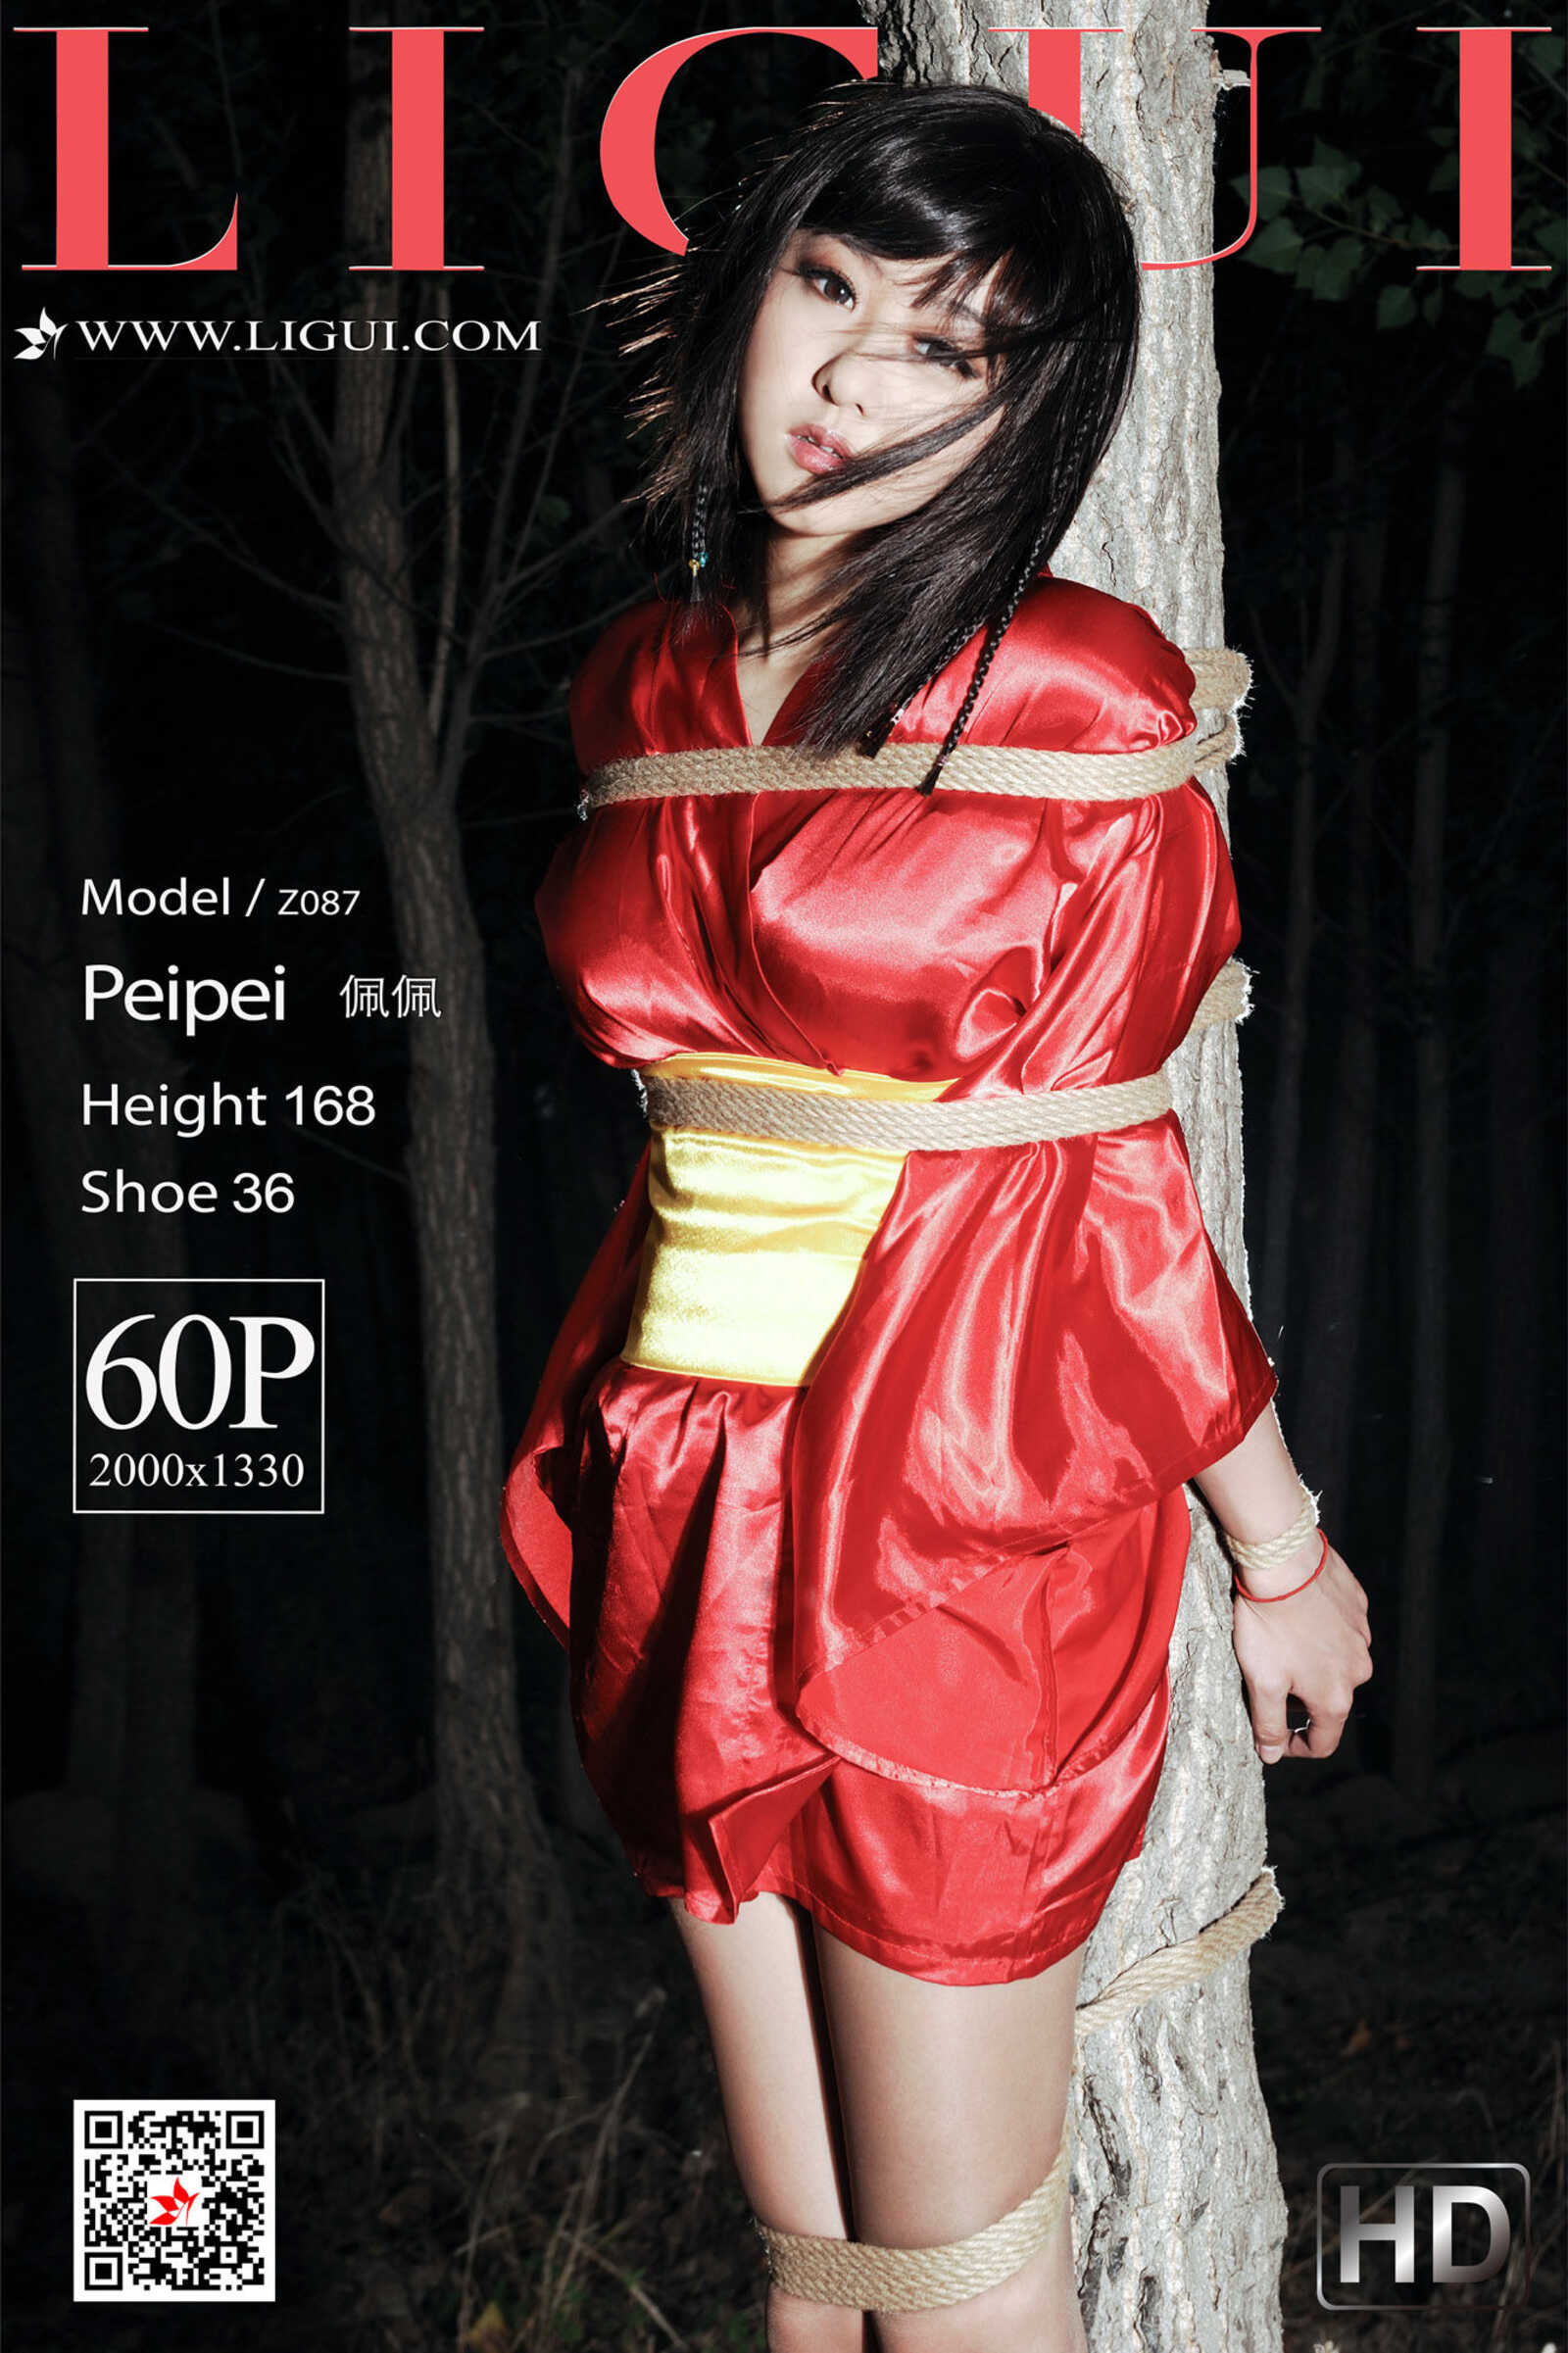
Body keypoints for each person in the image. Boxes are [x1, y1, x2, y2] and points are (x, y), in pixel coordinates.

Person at [501, 79, 1373, 2353]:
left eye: (943, 346)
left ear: (1021, 403)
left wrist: (1278, 1545)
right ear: (745, 288)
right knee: (811, 2277)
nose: (850, 382)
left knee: (962, 2282)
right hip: (683, 1483)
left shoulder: (1073, 686)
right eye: (827, 290)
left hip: (951, 1521)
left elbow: (1113, 1171)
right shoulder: (635, 673)